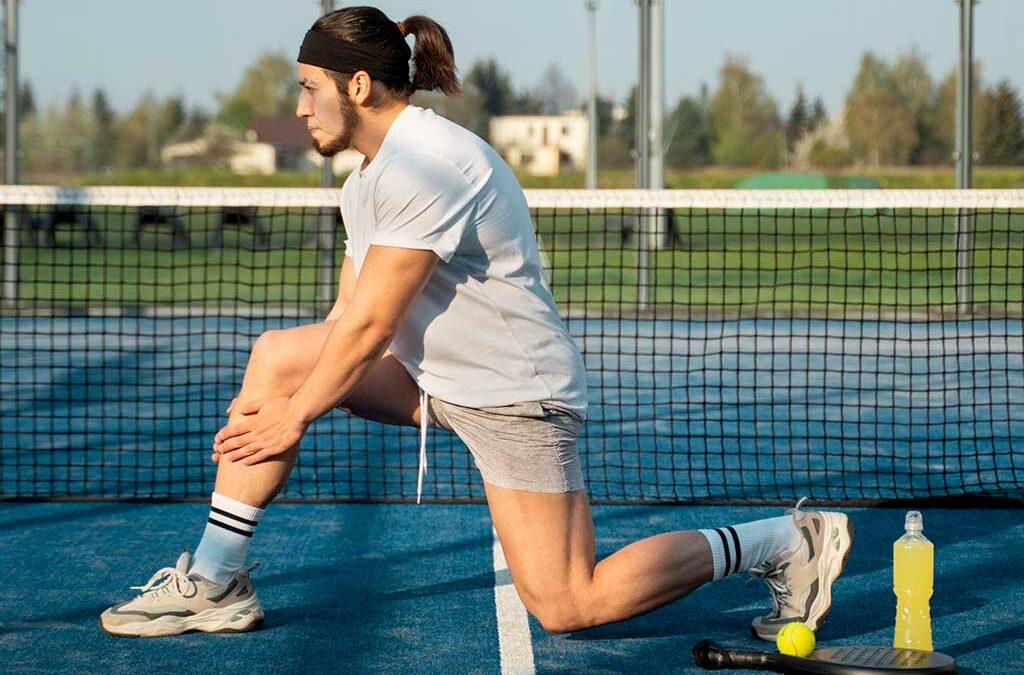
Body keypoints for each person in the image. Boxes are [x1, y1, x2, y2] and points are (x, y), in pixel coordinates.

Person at [100, 6, 853, 640]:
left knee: (567, 603)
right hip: (435, 378)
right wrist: (289, 398)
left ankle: (786, 542)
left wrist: (295, 417)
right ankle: (215, 579)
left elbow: (371, 327)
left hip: (514, 395)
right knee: (278, 355)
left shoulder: (432, 163)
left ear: (356, 85)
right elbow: (345, 320)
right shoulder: (365, 182)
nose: (299, 109)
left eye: (308, 88)